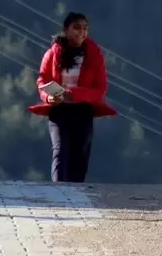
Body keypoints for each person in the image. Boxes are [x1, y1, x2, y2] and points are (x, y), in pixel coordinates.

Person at [28, 11, 117, 182]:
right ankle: (59, 190)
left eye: (85, 28)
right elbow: (43, 80)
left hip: (83, 110)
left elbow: (100, 88)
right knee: (60, 150)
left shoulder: (94, 54)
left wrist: (75, 94)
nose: (81, 32)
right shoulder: (53, 53)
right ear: (66, 30)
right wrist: (48, 97)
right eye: (77, 27)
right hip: (59, 109)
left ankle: (76, 191)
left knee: (80, 152)